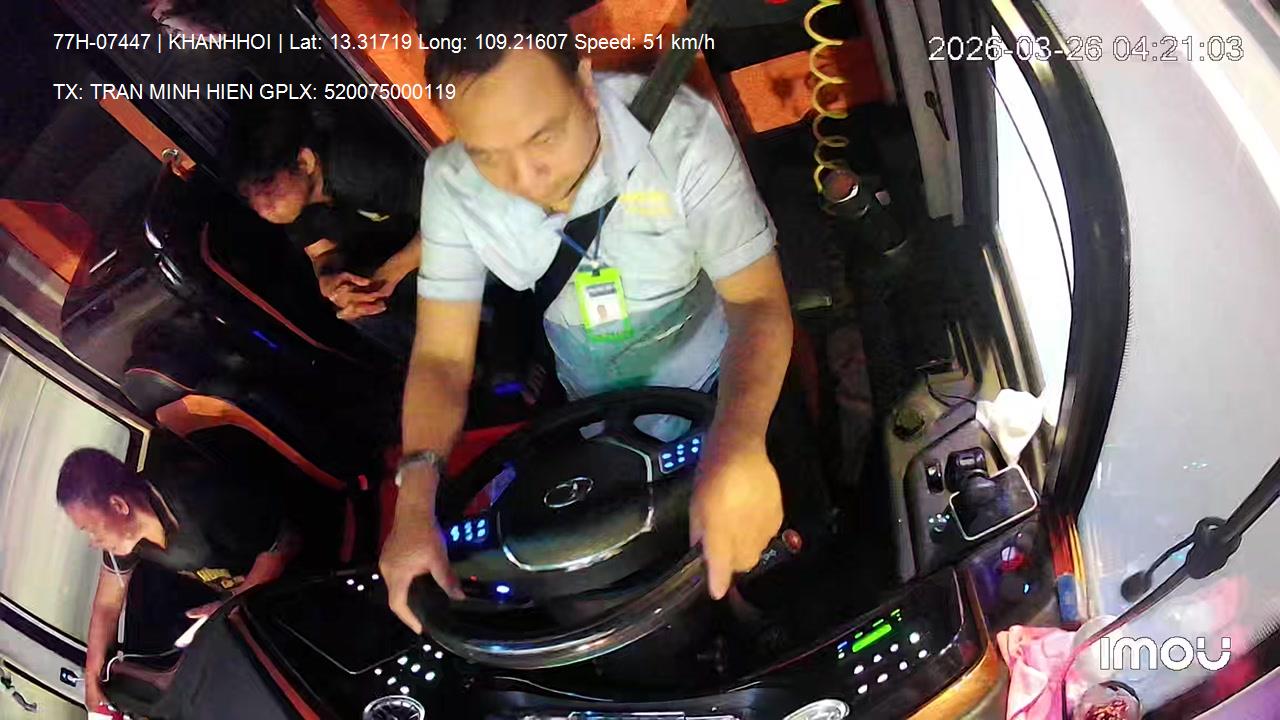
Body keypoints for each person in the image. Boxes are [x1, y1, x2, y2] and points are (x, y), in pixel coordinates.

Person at [379, 0, 795, 632]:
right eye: (488, 154)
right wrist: (413, 505)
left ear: (583, 81)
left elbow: (756, 302)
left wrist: (737, 442)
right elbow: (441, 356)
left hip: (722, 380)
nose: (525, 178)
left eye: (542, 138)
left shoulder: (680, 136)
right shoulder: (452, 182)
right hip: (591, 409)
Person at [57, 448, 302, 710]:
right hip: (250, 611)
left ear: (119, 505)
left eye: (91, 529)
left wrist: (231, 604)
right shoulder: (126, 540)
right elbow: (107, 605)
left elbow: (285, 541)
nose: (93, 542)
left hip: (296, 590)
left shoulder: (200, 499)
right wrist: (92, 679)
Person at [223, 101, 423, 357]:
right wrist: (330, 280)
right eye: (249, 196)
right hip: (410, 239)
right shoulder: (300, 204)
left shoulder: (359, 167)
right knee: (359, 306)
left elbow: (454, 211)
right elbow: (321, 253)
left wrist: (390, 275)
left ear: (304, 161)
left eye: (268, 185)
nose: (263, 207)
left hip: (457, 217)